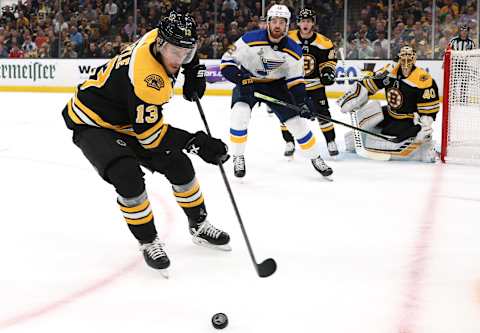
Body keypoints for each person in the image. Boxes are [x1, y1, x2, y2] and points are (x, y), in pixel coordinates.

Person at [61, 11, 231, 276]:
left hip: (127, 117)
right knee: (127, 176)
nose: (180, 59)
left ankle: (199, 224)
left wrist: (194, 69)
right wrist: (195, 141)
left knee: (179, 165)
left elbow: (185, 48)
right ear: (162, 45)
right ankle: (148, 240)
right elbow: (150, 137)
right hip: (92, 122)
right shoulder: (148, 79)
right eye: (176, 53)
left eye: (186, 52)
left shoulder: (160, 38)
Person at [220, 4, 333, 178]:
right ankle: (238, 156)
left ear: (287, 25)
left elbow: (295, 80)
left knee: (297, 124)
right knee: (239, 115)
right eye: (274, 21)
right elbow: (226, 61)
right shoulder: (248, 39)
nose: (277, 25)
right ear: (268, 22)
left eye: (282, 21)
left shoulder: (294, 49)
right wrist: (240, 78)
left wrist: (302, 101)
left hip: (276, 86)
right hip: (249, 81)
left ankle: (315, 157)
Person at [338, 46, 440, 162]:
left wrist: (423, 127)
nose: (406, 63)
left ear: (414, 60)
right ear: (399, 58)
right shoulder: (389, 72)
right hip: (391, 113)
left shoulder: (423, 79)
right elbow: (370, 83)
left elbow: (429, 111)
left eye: (409, 59)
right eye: (403, 59)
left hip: (408, 119)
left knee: (385, 134)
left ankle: (424, 148)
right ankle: (357, 139)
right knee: (369, 113)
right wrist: (353, 97)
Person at [280, 8, 339, 158]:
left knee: (323, 113)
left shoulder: (324, 42)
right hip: (293, 84)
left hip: (315, 85)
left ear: (313, 23)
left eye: (308, 21)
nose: (305, 24)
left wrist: (327, 72)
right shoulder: (287, 38)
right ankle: (289, 142)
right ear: (298, 23)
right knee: (287, 113)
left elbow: (329, 61)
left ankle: (331, 141)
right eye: (303, 21)